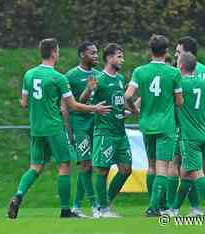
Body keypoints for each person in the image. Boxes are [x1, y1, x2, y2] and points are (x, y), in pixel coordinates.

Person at [7, 38, 111, 219]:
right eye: (59, 50)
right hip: (54, 127)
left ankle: (18, 196)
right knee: (64, 166)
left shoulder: (29, 74)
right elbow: (72, 106)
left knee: (35, 166)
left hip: (36, 128)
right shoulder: (58, 78)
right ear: (54, 53)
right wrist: (96, 108)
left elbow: (23, 103)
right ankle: (65, 210)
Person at [125, 35, 183, 216]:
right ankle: (154, 207)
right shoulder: (174, 73)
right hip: (166, 126)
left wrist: (135, 109)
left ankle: (154, 203)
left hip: (147, 124)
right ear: (166, 52)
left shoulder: (140, 71)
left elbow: (127, 96)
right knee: (163, 168)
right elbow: (179, 102)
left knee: (150, 166)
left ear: (150, 51)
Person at [82, 43, 132, 218]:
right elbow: (83, 100)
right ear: (109, 58)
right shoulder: (99, 78)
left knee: (126, 170)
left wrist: (123, 111)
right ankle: (102, 209)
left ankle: (106, 202)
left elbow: (118, 101)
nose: (122, 60)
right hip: (104, 132)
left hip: (120, 132)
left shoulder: (120, 79)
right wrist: (90, 91)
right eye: (119, 56)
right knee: (102, 170)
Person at [171, 52, 205, 217]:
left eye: (178, 61)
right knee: (185, 173)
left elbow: (172, 102)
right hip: (204, 134)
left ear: (181, 66)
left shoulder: (180, 84)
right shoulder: (204, 82)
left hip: (189, 136)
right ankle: (174, 209)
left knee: (196, 172)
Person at [65, 41, 101, 217]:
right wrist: (69, 130)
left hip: (96, 123)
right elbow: (67, 106)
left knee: (88, 165)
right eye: (92, 53)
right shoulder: (70, 76)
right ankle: (95, 205)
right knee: (85, 164)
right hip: (79, 125)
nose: (96, 56)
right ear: (82, 55)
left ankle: (77, 207)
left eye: (96, 53)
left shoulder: (99, 75)